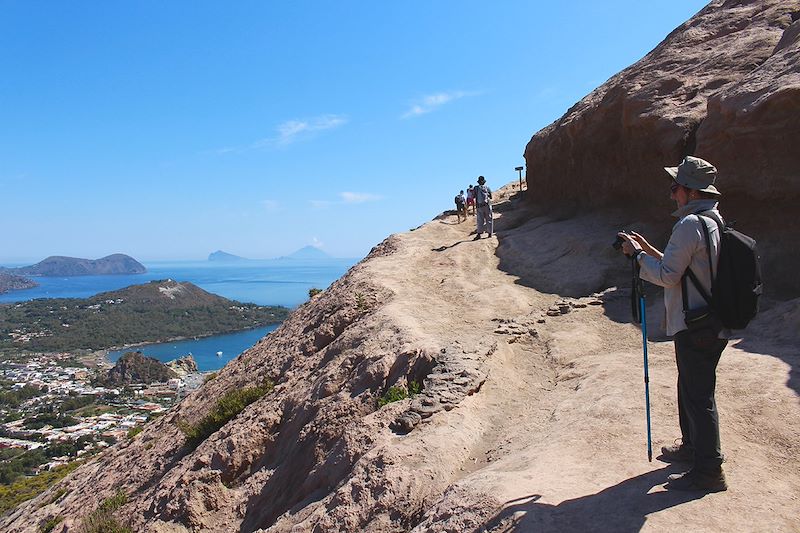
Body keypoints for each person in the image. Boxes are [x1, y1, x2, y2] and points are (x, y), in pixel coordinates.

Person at [618, 155, 728, 492]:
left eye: (675, 187)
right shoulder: (712, 221)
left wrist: (636, 259)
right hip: (711, 320)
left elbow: (668, 276)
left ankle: (709, 472)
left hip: (694, 323)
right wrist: (648, 249)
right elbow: (686, 267)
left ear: (691, 192)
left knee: (698, 395)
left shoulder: (689, 225)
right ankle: (693, 448)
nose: (672, 194)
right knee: (692, 387)